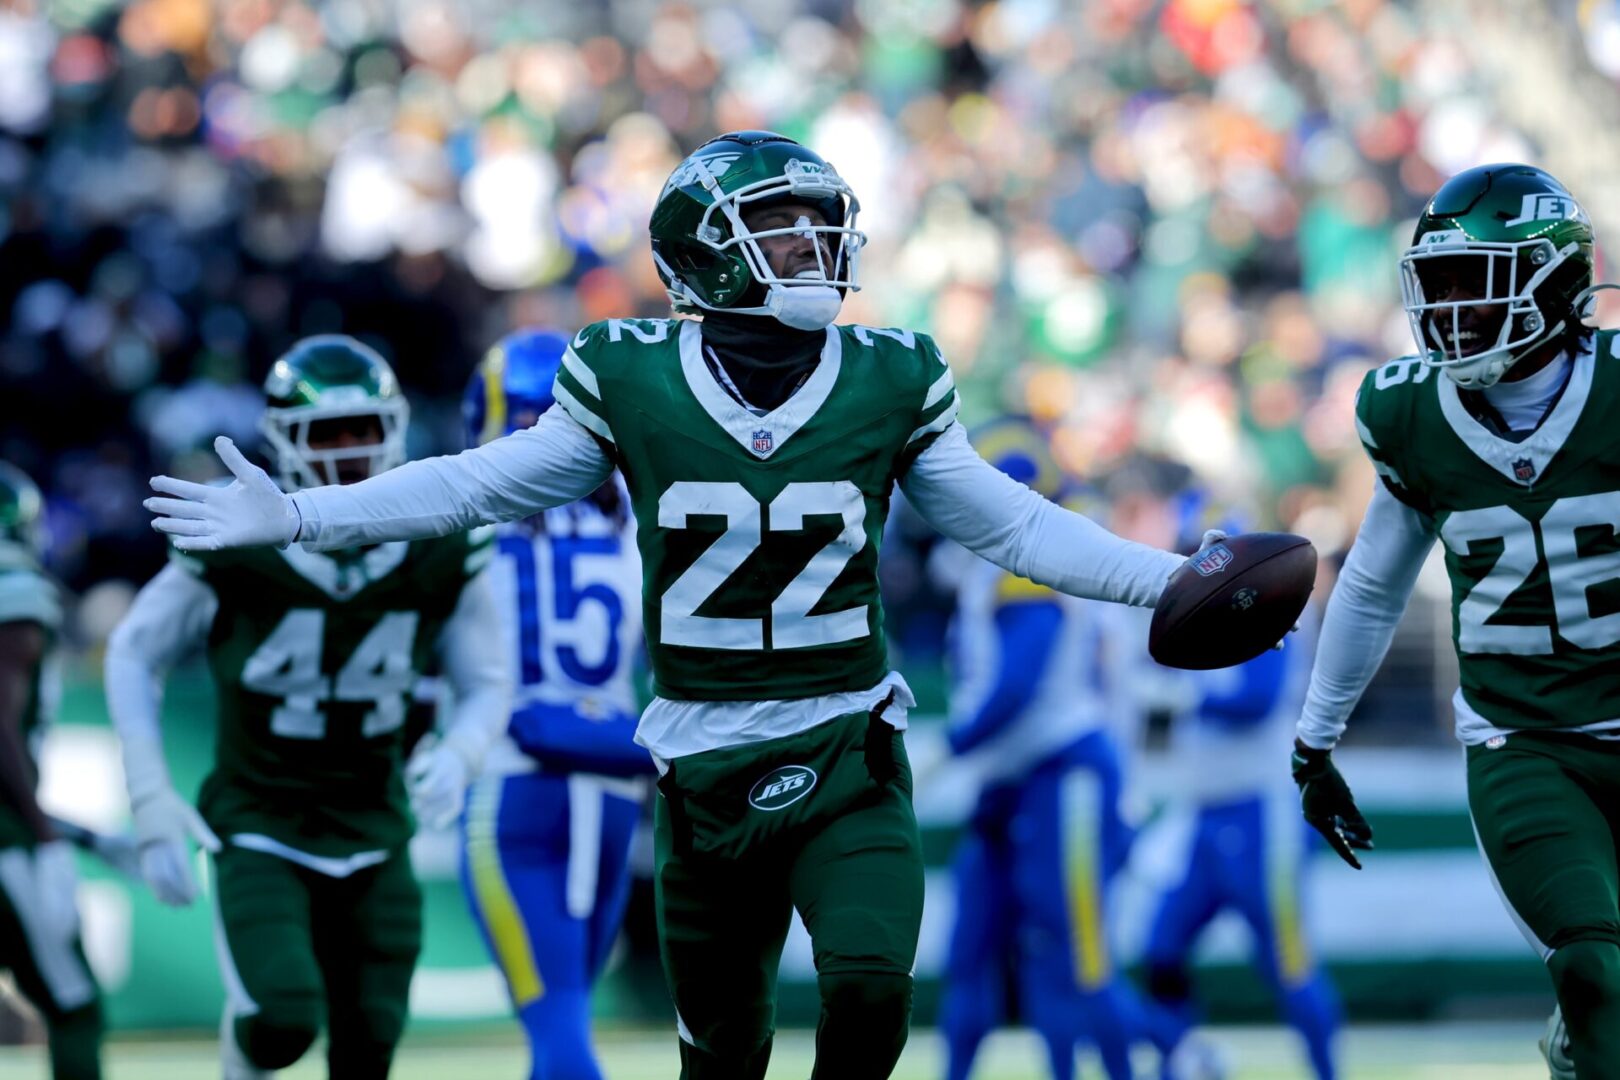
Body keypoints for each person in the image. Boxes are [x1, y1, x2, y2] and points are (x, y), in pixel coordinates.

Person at [141, 131, 1250, 1080]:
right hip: (699, 761)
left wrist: (1168, 578)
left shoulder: (892, 372)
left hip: (847, 743)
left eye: (820, 223)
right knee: (722, 1050)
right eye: (782, 224)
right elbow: (477, 484)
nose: (814, 245)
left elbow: (1015, 527)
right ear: (704, 248)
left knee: (871, 991)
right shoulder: (630, 371)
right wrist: (303, 515)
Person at [1287, 162, 1620, 1080]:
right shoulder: (1411, 413)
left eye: (1476, 283)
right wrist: (1315, 741)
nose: (1451, 311)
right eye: (1438, 287)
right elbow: (1371, 586)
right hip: (1527, 743)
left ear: (1555, 281)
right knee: (1594, 970)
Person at [106, 336, 510, 1080]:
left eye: (364, 428)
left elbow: (486, 677)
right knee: (281, 1021)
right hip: (262, 820)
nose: (350, 450)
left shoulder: (440, 541)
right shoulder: (237, 535)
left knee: (371, 1043)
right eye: (328, 432)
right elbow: (134, 651)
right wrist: (149, 792)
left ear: (394, 429)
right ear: (284, 441)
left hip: (376, 823)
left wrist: (463, 750)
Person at [458, 329, 653, 1080]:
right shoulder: (634, 510)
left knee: (559, 1029)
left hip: (515, 784)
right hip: (612, 783)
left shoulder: (466, 504)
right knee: (562, 1023)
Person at [935, 419, 1155, 1080]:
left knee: (1075, 956)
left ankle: (1153, 1060)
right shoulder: (993, 564)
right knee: (974, 951)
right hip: (1010, 777)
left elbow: (1017, 683)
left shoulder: (1023, 559)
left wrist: (949, 747)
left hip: (1061, 771)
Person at [1132, 496, 1339, 1080]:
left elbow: (1256, 699)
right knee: (1161, 951)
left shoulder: (1268, 604)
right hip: (1200, 813)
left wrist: (1184, 695)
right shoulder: (1195, 616)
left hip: (1261, 810)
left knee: (1288, 964)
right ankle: (1181, 1062)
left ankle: (1327, 1071)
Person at [0, 462, 138, 1080]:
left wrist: (82, 836)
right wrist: (46, 837)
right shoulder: (15, 590)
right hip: (9, 846)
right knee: (74, 1006)